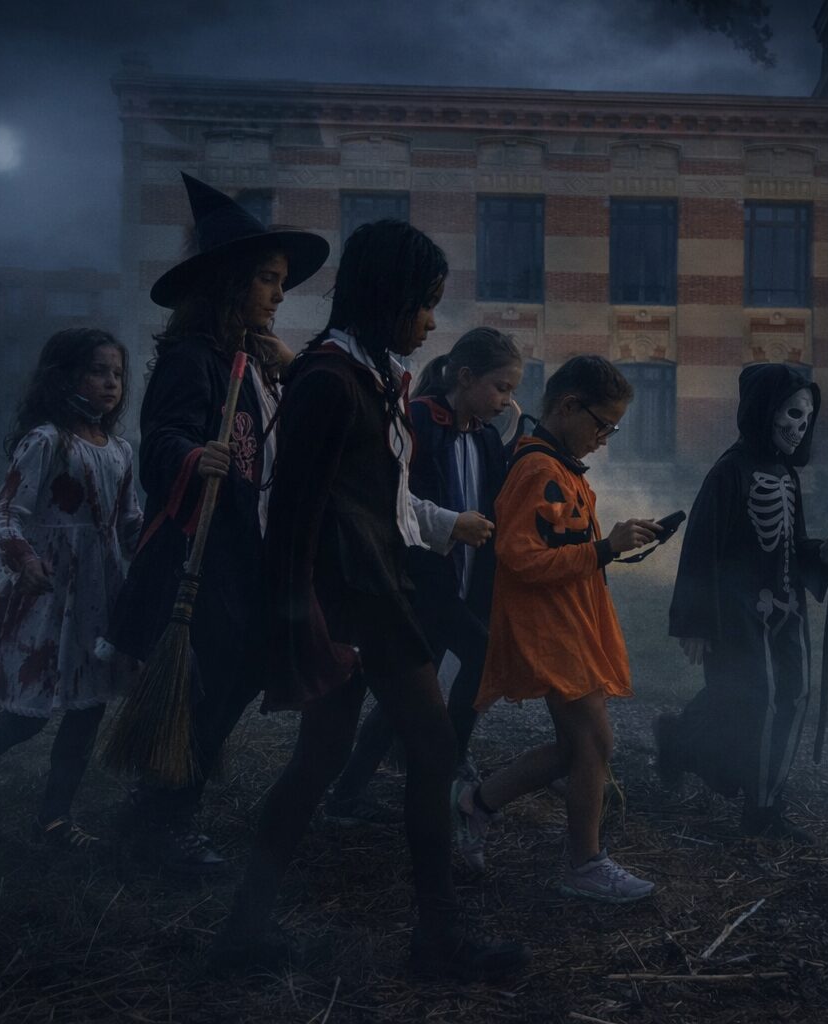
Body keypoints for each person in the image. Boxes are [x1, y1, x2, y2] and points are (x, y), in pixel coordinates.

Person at [213, 220, 529, 979]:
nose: (431, 323)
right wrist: (305, 625)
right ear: (389, 297)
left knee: (321, 759)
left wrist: (446, 526)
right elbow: (286, 514)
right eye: (425, 304)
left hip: (372, 593)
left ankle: (244, 931)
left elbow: (382, 503)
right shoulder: (329, 381)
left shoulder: (372, 378)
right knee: (429, 747)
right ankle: (435, 940)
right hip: (351, 606)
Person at [106, 173, 329, 874]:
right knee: (206, 687)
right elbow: (161, 439)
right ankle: (162, 821)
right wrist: (190, 454)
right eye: (267, 279)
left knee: (237, 680)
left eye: (281, 281)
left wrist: (292, 373)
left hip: (247, 553)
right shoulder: (192, 359)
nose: (278, 294)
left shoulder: (255, 362)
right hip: (201, 558)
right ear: (230, 283)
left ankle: (164, 806)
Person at [453, 355, 663, 903]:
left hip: (570, 620)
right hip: (551, 627)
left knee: (578, 747)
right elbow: (519, 558)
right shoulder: (537, 471)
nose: (604, 439)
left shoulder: (560, 468)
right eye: (602, 425)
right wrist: (605, 548)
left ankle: (476, 803)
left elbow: (561, 545)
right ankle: (584, 864)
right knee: (595, 740)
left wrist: (610, 545)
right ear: (569, 406)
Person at [0, 328, 139, 850]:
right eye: (97, 371)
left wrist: (169, 542)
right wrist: (25, 560)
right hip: (45, 596)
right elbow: (4, 514)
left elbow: (128, 523)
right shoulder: (46, 441)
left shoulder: (121, 450)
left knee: (87, 709)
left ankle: (55, 819)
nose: (111, 383)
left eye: (117, 373)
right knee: (26, 714)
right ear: (65, 377)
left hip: (97, 597)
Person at [324, 327, 523, 825]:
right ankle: (449, 756)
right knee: (482, 655)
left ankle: (347, 796)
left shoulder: (486, 438)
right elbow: (391, 499)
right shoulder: (416, 422)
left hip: (465, 583)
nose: (506, 400)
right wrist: (449, 526)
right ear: (466, 376)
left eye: (511, 391)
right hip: (419, 585)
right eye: (500, 387)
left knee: (402, 698)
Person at [655, 364, 828, 840]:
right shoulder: (729, 472)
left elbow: (790, 546)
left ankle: (759, 793)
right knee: (754, 700)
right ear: (765, 411)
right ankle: (753, 802)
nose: (799, 427)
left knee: (795, 695)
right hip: (739, 614)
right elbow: (700, 548)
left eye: (807, 418)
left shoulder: (786, 473)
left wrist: (821, 553)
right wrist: (695, 622)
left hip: (787, 610)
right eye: (792, 414)